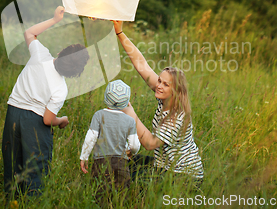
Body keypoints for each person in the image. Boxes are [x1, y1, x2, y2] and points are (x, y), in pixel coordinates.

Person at [2, 6, 90, 196]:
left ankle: (11, 198)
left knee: (12, 162)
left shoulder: (40, 56)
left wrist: (54, 20)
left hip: (13, 113)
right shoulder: (61, 88)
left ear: (61, 53)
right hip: (34, 122)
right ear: (75, 73)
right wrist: (62, 120)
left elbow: (29, 33)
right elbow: (48, 120)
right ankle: (32, 200)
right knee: (35, 168)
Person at [113, 20, 204, 182]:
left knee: (129, 180)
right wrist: (120, 33)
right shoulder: (166, 98)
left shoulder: (176, 116)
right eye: (159, 81)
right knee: (120, 162)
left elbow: (149, 143)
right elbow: (142, 64)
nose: (159, 86)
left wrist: (130, 113)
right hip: (164, 165)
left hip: (183, 176)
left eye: (165, 84)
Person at [79, 80, 140, 202]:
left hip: (100, 162)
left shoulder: (98, 115)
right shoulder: (129, 121)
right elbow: (134, 145)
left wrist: (84, 156)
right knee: (123, 193)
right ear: (127, 103)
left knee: (101, 193)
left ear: (106, 98)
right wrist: (130, 151)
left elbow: (90, 138)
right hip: (121, 161)